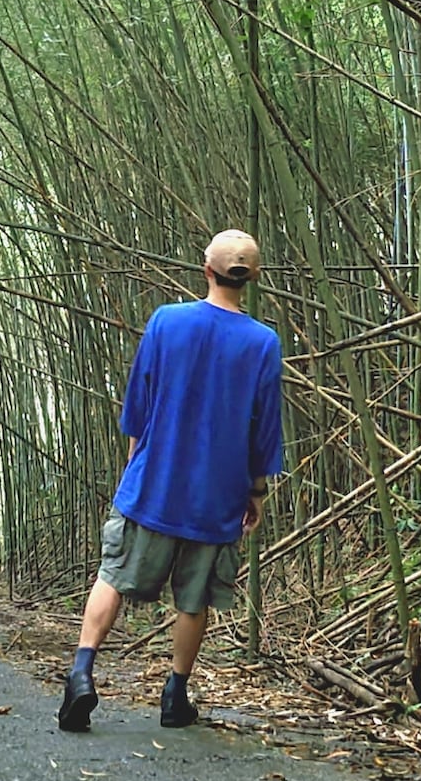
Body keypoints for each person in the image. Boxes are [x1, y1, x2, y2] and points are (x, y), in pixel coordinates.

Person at [58, 229, 283, 732]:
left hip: (154, 482)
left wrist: (135, 468)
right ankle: (174, 695)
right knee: (194, 596)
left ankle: (81, 673)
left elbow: (138, 403)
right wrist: (256, 490)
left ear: (207, 270)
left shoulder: (166, 321)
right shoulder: (263, 343)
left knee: (112, 575)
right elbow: (264, 426)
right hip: (217, 495)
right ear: (253, 279)